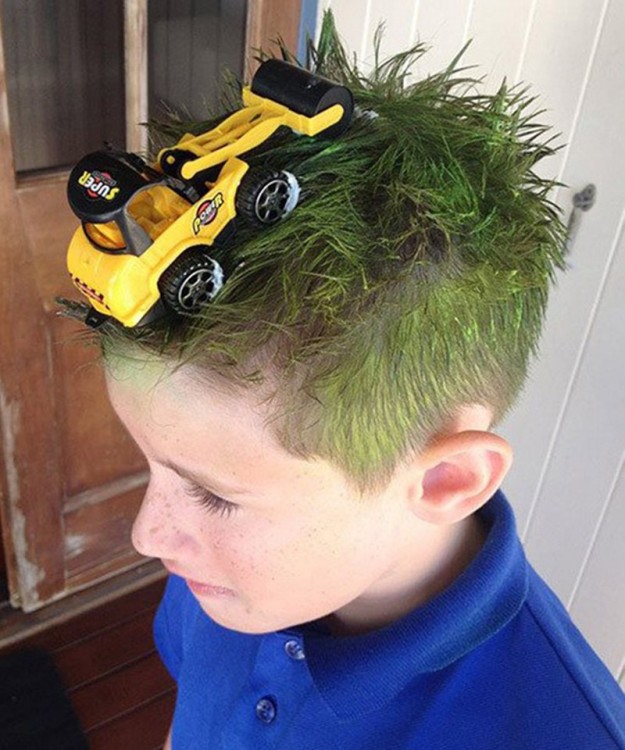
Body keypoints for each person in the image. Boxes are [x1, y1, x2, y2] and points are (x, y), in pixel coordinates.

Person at [72, 13, 625, 750]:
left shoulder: (553, 729)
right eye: (154, 469)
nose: (148, 535)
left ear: (444, 480)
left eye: (211, 493)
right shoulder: (224, 579)